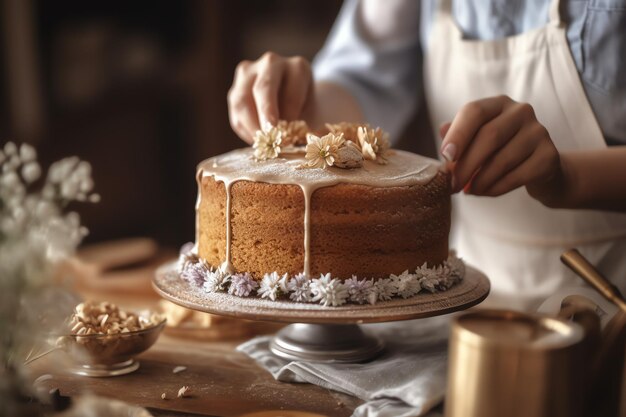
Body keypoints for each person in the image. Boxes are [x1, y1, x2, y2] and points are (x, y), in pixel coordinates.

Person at [227, 0, 626, 311]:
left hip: (613, 299)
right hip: (465, 295)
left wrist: (568, 177)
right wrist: (302, 106)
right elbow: (364, 77)